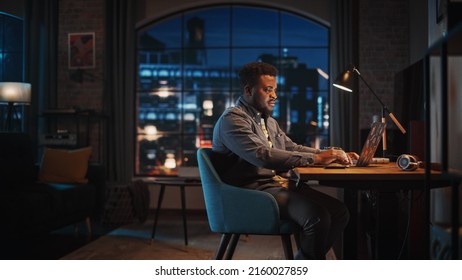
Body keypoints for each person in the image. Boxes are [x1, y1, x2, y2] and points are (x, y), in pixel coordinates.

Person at [212, 61, 359, 259]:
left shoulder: (267, 120)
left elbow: (291, 148)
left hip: (273, 186)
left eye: (275, 90)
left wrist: (331, 153)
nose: (274, 95)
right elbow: (263, 156)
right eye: (268, 90)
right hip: (248, 193)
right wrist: (317, 159)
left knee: (339, 212)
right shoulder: (233, 120)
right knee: (318, 217)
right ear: (248, 90)